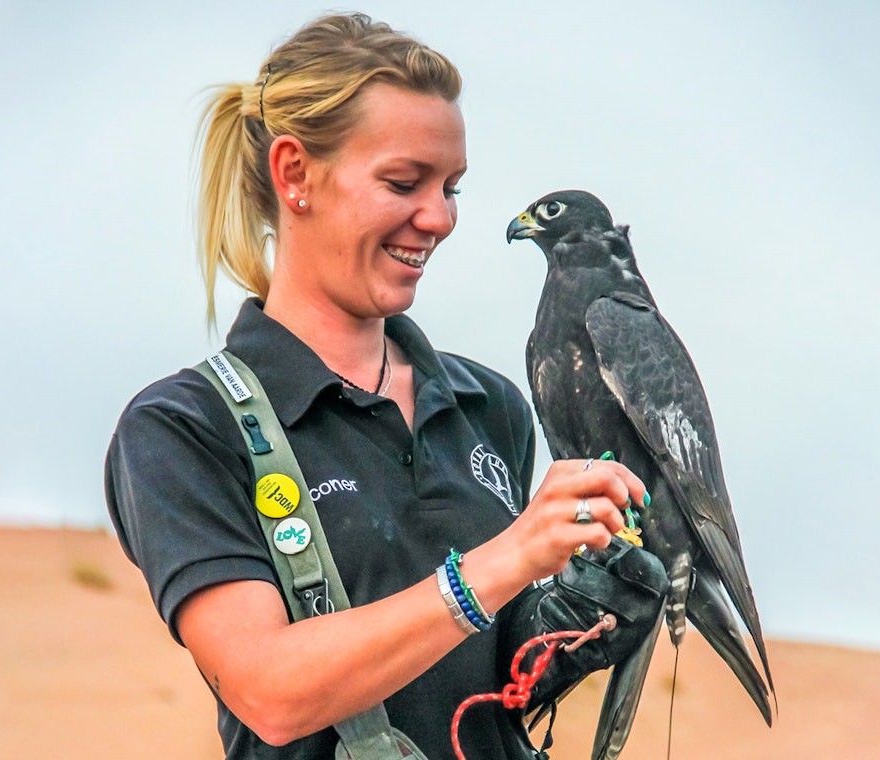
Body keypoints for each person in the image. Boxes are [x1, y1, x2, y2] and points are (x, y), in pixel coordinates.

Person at [105, 13, 668, 759]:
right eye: (404, 183)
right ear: (295, 174)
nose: (439, 218)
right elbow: (271, 692)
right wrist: (501, 563)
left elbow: (479, 679)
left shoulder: (489, 406)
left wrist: (575, 622)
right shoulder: (185, 428)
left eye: (452, 187)